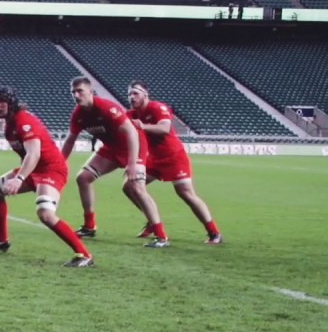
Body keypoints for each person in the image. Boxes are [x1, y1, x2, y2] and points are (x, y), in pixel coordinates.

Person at [0, 87, 93, 267]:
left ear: (11, 103)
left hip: (51, 170)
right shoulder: (10, 123)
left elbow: (34, 154)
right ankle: (1, 240)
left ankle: (84, 255)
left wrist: (19, 179)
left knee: (45, 214)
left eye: (2, 101)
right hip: (34, 170)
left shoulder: (23, 121)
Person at [60, 77, 168, 248]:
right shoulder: (78, 114)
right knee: (83, 178)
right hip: (111, 148)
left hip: (134, 145)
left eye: (80, 91)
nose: (76, 95)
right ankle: (89, 226)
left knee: (136, 187)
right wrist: (59, 164)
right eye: (73, 92)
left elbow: (132, 133)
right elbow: (69, 141)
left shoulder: (106, 108)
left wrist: (132, 164)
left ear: (90, 91)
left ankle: (161, 237)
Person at [126, 81, 223, 244]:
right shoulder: (131, 114)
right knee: (129, 186)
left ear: (145, 94)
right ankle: (152, 221)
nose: (131, 97)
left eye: (135, 93)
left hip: (173, 156)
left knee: (185, 193)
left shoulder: (157, 107)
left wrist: (143, 126)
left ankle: (214, 233)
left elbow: (164, 128)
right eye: (129, 94)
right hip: (154, 159)